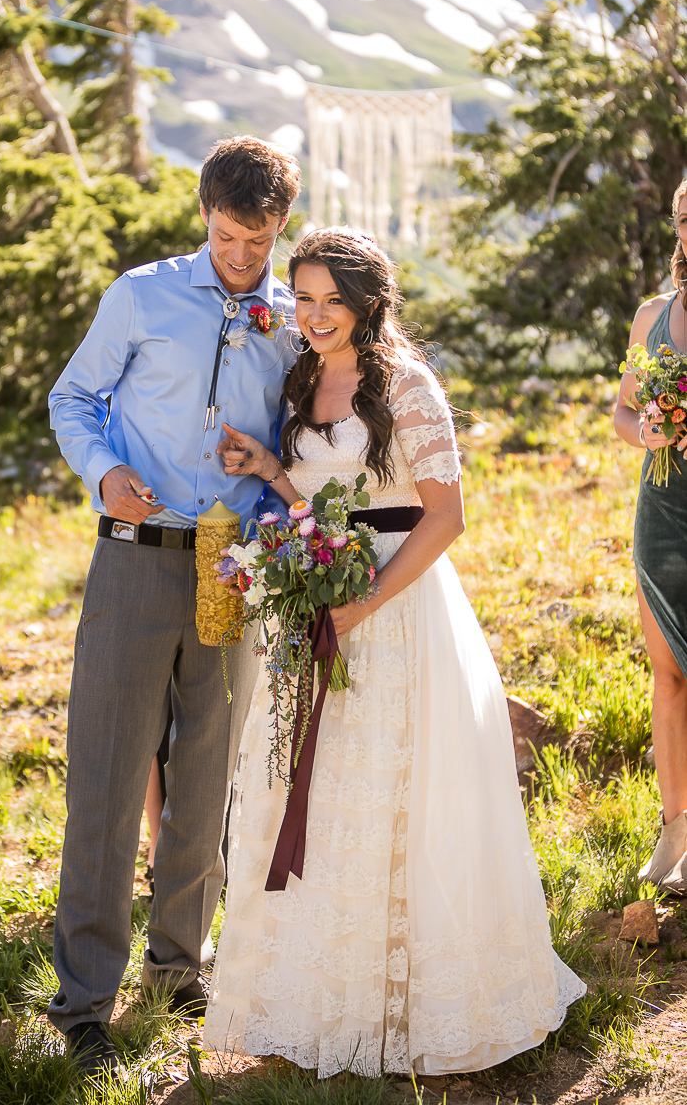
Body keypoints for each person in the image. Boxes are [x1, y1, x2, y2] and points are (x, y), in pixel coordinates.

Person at [204, 227, 586, 1077]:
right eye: (301, 298)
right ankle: (320, 998)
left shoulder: (406, 385)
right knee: (322, 787)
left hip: (400, 609)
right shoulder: (303, 378)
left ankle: (415, 1003)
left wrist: (366, 604)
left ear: (368, 302)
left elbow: (445, 516)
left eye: (330, 300)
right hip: (319, 600)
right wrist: (272, 471)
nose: (312, 315)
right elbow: (322, 494)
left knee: (401, 790)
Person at [46, 136, 301, 1077]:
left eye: (261, 240)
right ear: (205, 216)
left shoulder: (289, 315)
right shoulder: (140, 294)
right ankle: (82, 1002)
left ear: (281, 228)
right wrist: (104, 472)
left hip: (229, 566)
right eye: (231, 238)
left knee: (204, 780)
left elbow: (297, 446)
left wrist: (270, 504)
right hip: (134, 557)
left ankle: (179, 968)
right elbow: (72, 397)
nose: (244, 258)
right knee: (107, 781)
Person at [614, 177, 687, 894]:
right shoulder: (651, 317)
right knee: (666, 677)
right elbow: (622, 412)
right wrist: (648, 429)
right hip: (662, 509)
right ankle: (672, 828)